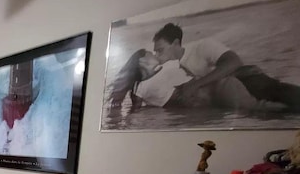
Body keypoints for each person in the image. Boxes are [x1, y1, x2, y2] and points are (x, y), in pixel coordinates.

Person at [152, 23, 300, 111]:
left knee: (285, 98)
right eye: (155, 52)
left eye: (160, 50)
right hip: (228, 95)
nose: (158, 56)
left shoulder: (202, 46)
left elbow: (234, 62)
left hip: (248, 79)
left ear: (176, 43)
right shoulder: (170, 69)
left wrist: (196, 84)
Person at [109, 49, 260, 110]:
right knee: (257, 107)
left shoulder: (169, 66)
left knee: (255, 98)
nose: (155, 54)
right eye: (150, 53)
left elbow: (194, 76)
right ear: (141, 62)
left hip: (212, 90)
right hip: (205, 99)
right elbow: (136, 111)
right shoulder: (139, 88)